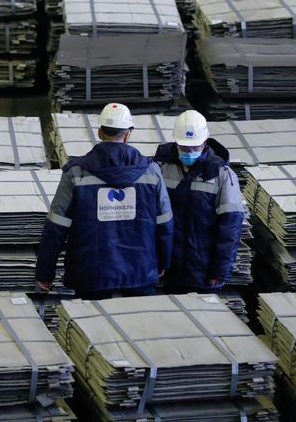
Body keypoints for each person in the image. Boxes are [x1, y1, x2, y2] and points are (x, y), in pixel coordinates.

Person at [35, 103, 174, 300]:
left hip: (90, 273)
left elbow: (56, 227)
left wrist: (44, 272)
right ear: (128, 134)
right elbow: (165, 224)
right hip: (140, 270)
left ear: (100, 133)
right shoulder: (151, 172)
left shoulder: (76, 173)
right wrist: (163, 263)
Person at [153, 110, 244, 293]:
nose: (189, 152)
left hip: (202, 271)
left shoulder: (220, 175)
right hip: (169, 270)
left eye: (195, 147)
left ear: (205, 141)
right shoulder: (162, 168)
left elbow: (230, 229)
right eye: (185, 148)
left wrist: (219, 271)